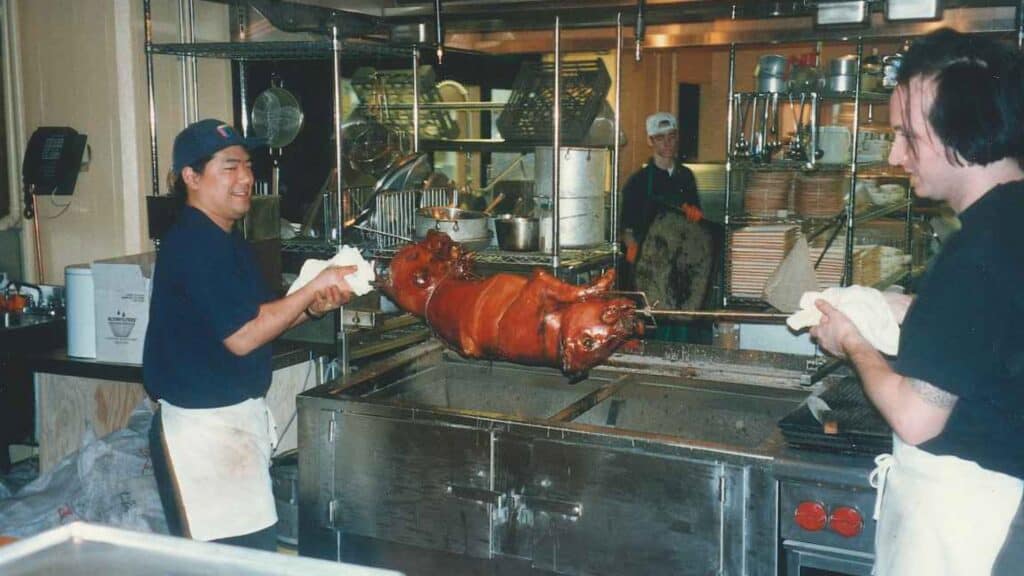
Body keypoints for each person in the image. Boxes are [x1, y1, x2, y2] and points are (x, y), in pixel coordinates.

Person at [810, 29, 1024, 576]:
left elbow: (915, 417)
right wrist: (893, 306)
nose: (896, 154)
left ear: (964, 133)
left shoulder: (978, 251)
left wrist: (851, 341)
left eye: (908, 135)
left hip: (969, 521)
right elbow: (983, 336)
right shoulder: (1010, 220)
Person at [143, 119, 357, 550]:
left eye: (248, 166)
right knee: (229, 564)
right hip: (201, 436)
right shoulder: (194, 243)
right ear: (191, 176)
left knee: (254, 557)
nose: (246, 178)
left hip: (234, 428)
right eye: (230, 166)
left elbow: (259, 320)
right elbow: (242, 337)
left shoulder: (225, 240)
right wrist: (314, 286)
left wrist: (311, 306)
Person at [619, 112, 703, 291]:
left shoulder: (686, 176)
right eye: (660, 138)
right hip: (648, 262)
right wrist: (633, 250)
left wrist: (695, 216)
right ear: (650, 141)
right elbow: (626, 229)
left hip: (679, 262)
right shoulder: (638, 181)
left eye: (671, 137)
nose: (667, 143)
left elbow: (697, 221)